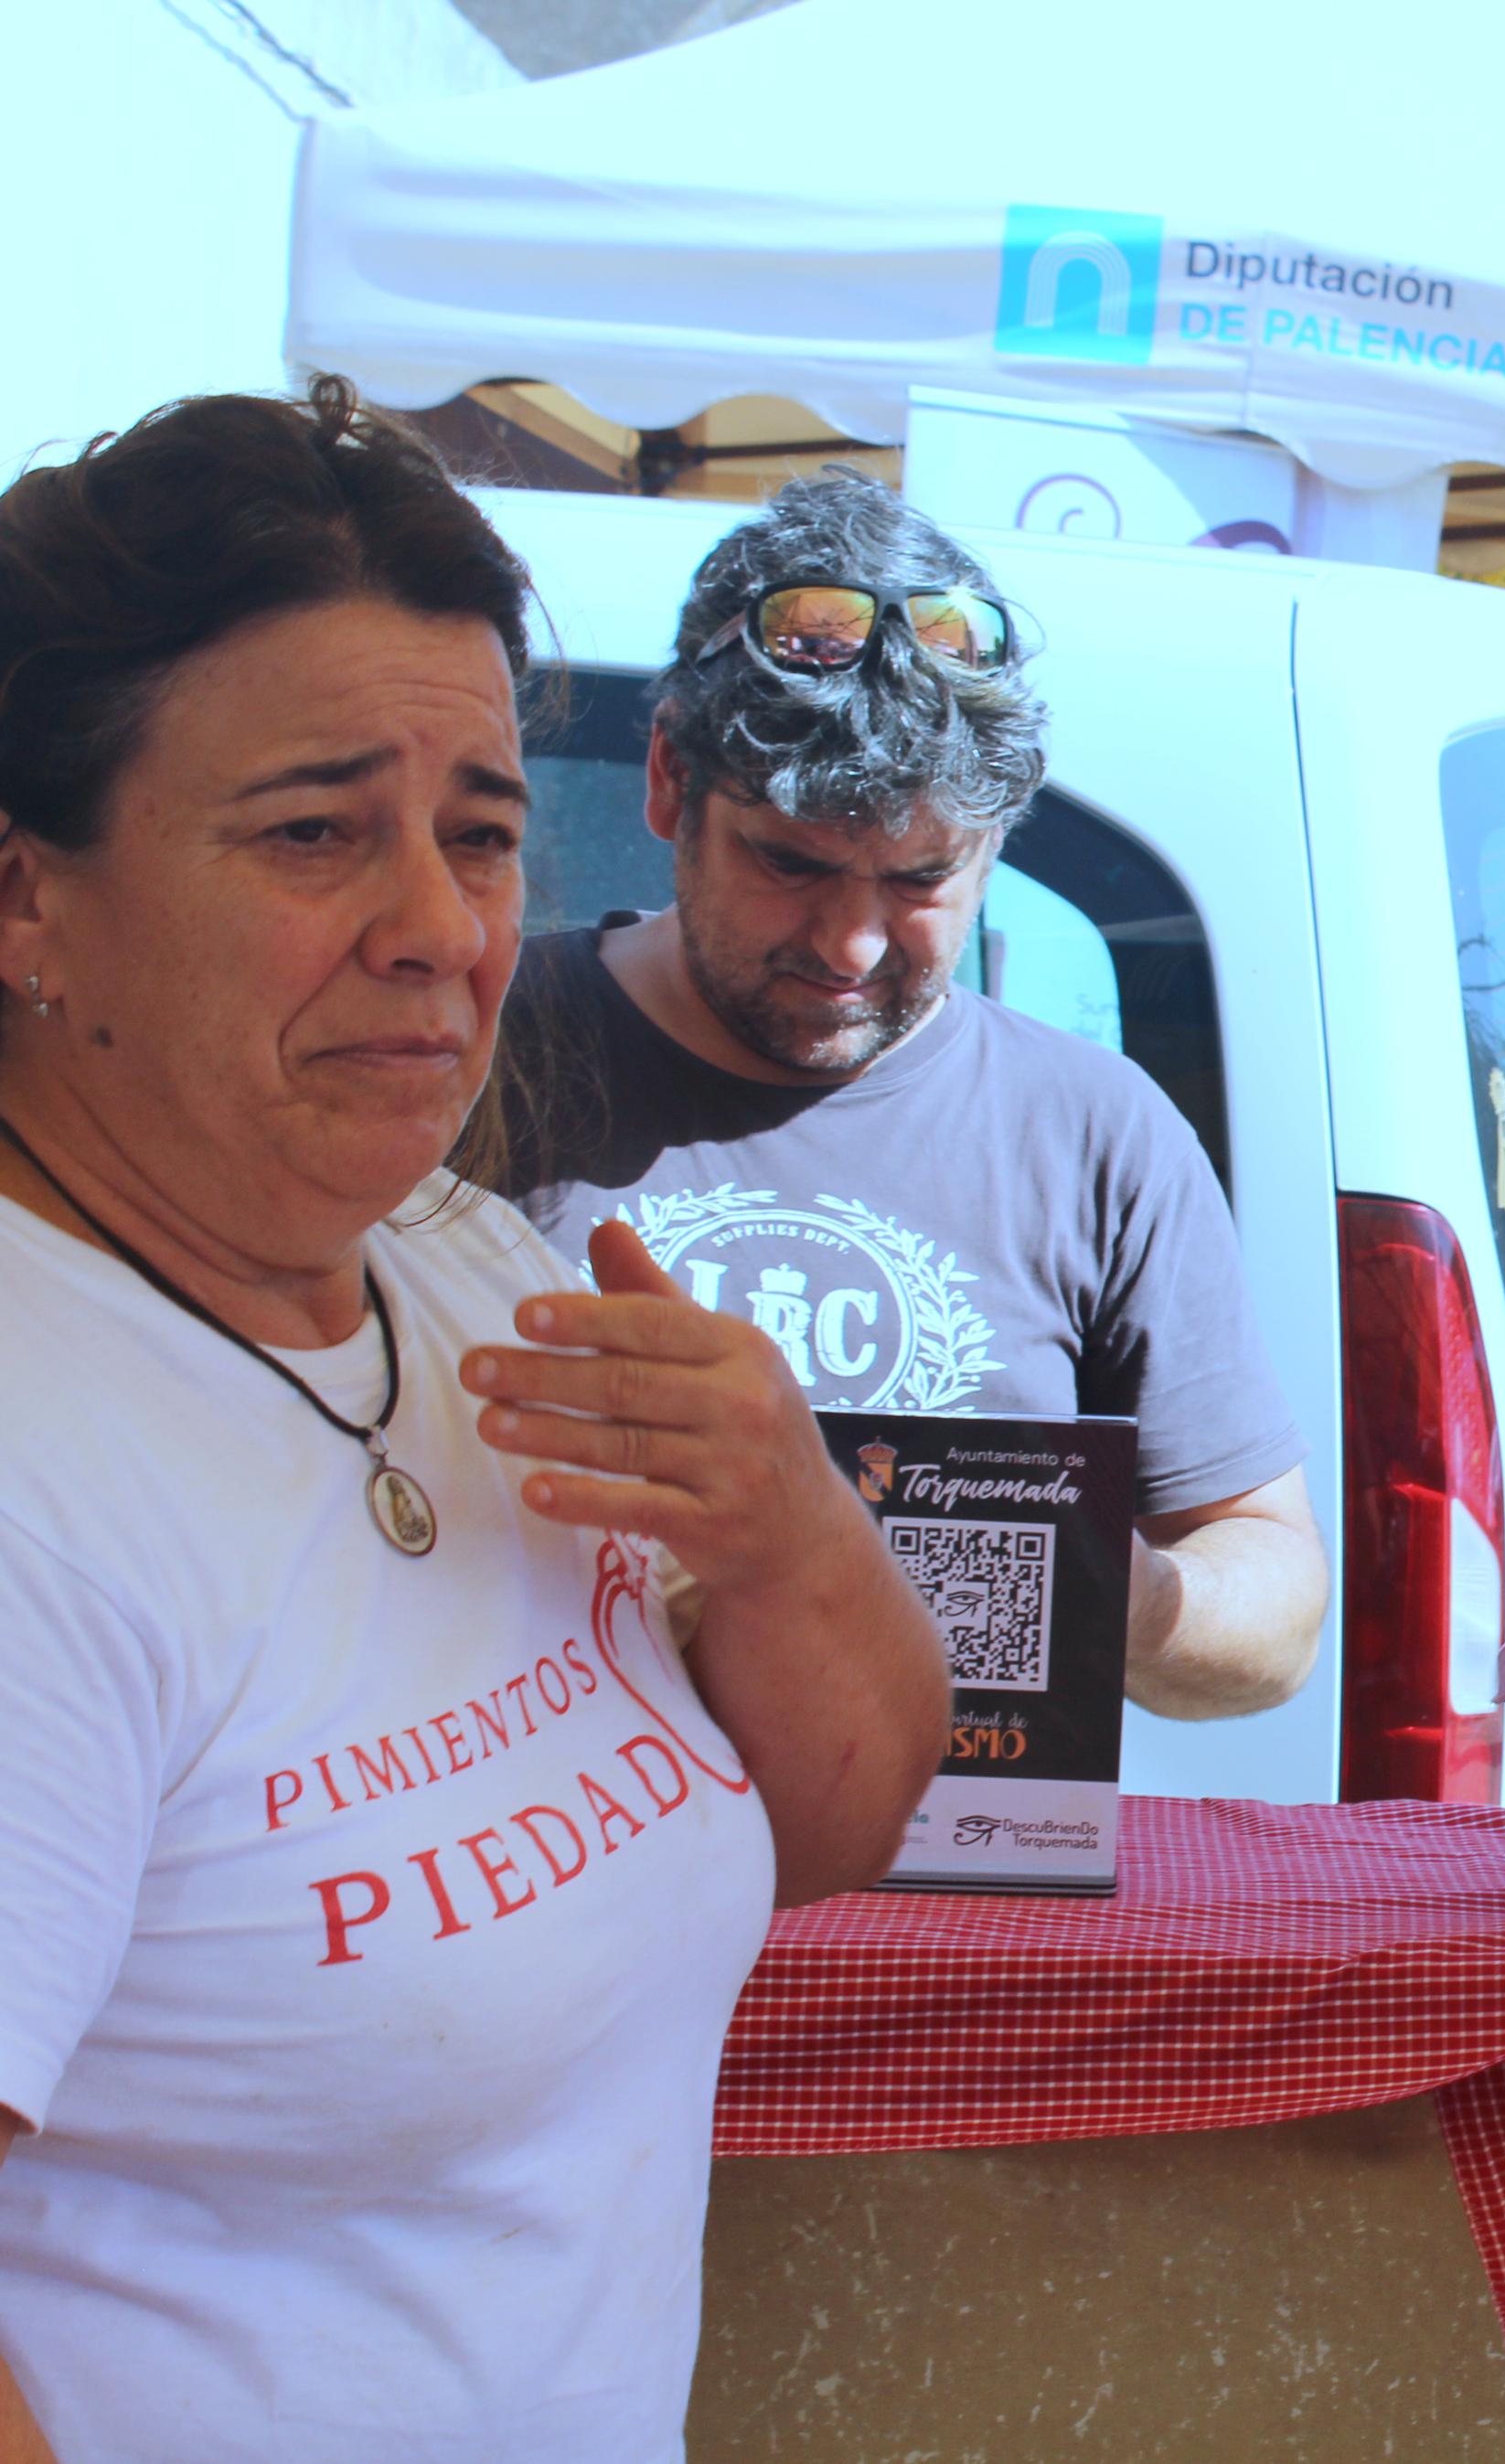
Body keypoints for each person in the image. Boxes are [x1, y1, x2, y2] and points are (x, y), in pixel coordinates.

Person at [0, 384, 946, 2460]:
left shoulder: (457, 1264)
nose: (438, 926)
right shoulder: (37, 1469)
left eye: (484, 832)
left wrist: (790, 1532)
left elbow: (826, 1830)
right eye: (314, 832)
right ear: (26, 900)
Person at [491, 474, 1325, 1723]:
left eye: (922, 878)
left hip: (955, 1834)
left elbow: (1278, 1618)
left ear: (995, 843)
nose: (852, 944)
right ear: (668, 780)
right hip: (538, 1822)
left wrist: (1107, 1589)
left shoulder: (1096, 1136)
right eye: (789, 863)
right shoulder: (472, 1057)